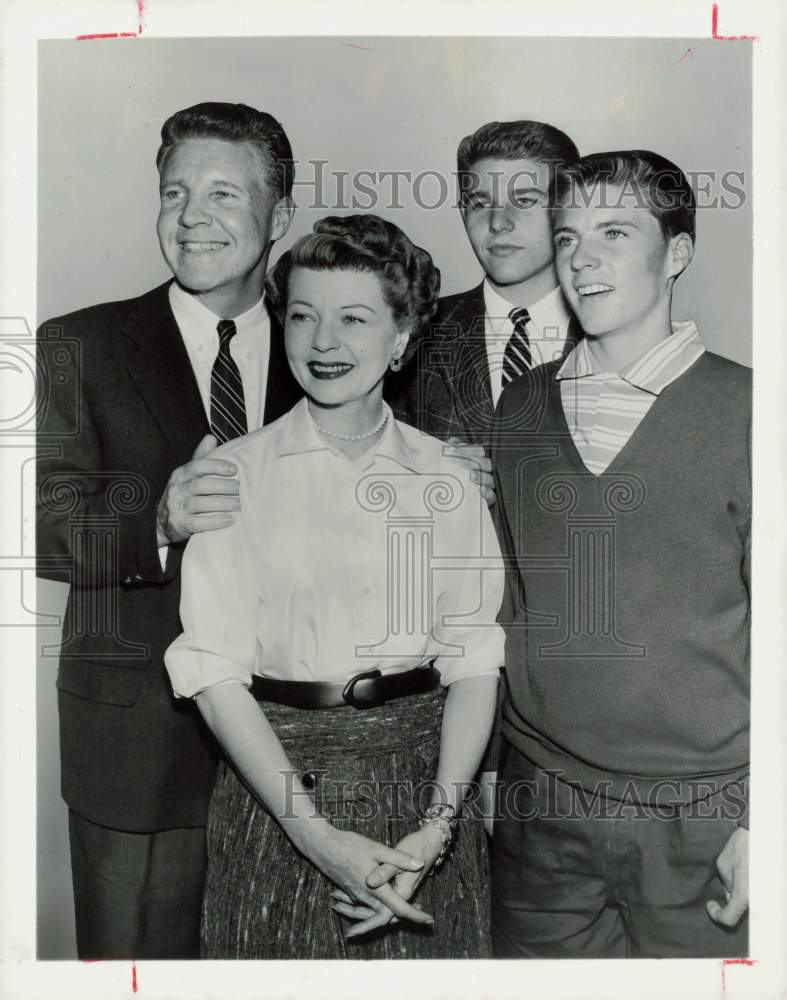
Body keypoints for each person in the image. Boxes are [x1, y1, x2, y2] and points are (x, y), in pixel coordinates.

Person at [164, 214, 506, 959]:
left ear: (402, 337)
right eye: (302, 317)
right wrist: (314, 837)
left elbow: (473, 658)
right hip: (278, 796)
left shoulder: (446, 475)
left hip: (423, 798)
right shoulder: (232, 477)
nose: (322, 344)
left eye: (353, 319)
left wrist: (437, 829)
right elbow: (214, 673)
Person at [35, 102, 302, 959]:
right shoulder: (80, 344)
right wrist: (157, 519)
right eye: (174, 191)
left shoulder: (330, 339)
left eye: (224, 193)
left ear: (280, 218)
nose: (192, 217)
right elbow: (39, 524)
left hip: (304, 739)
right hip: (138, 746)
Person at [489, 151, 750, 958]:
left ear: (675, 253)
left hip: (703, 815)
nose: (581, 259)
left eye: (613, 231)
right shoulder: (522, 405)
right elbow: (511, 603)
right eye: (566, 237)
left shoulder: (748, 410)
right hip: (540, 811)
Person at [387, 119, 582, 446]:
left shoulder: (612, 332)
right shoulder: (415, 334)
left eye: (524, 201)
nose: (497, 223)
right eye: (479, 203)